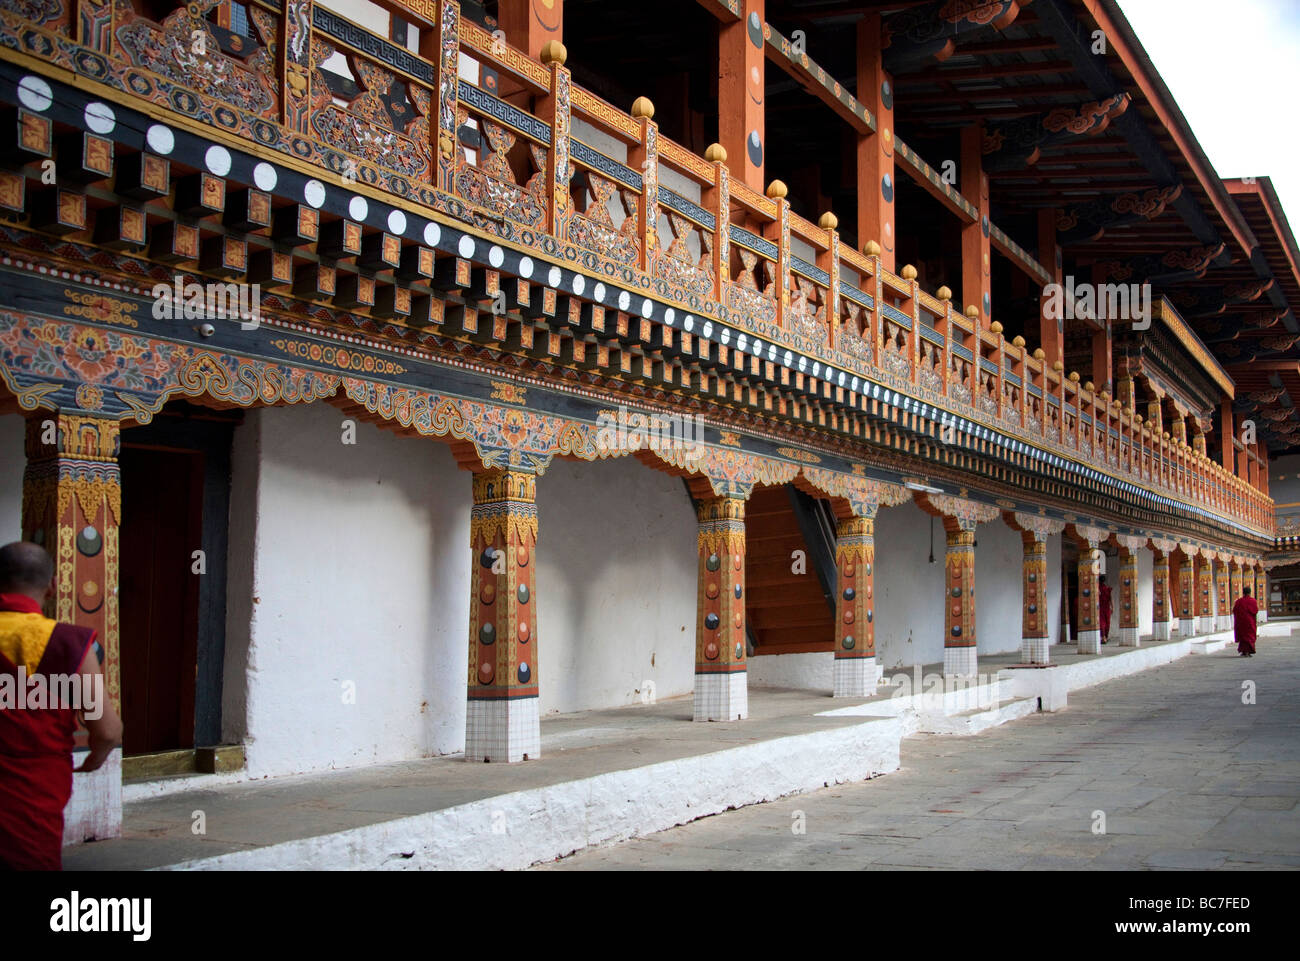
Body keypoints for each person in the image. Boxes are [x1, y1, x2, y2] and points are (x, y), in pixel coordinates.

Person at [0, 541, 122, 870]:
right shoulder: (68, 642)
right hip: (32, 790)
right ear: (52, 586)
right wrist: (93, 760)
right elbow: (108, 731)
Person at [1232, 584, 1258, 658]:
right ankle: (1247, 651)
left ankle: (1244, 651)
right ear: (1250, 593)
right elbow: (1255, 611)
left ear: (1243, 593)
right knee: (1249, 637)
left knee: (1243, 637)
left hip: (1241, 623)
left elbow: (1234, 611)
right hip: (1250, 623)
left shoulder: (1239, 601)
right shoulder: (1253, 601)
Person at [1098, 573, 1113, 644]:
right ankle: (1105, 637)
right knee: (1107, 622)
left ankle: (1103, 637)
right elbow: (1110, 598)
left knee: (1102, 623)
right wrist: (1112, 607)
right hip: (1107, 608)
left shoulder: (1098, 589)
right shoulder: (1107, 589)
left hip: (1100, 608)